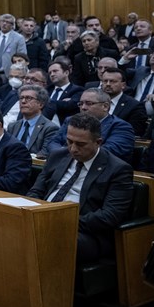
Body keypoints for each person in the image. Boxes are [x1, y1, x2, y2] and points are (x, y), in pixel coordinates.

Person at [27, 113, 133, 264]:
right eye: (69, 141)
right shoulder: (58, 155)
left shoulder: (118, 169)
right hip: (44, 218)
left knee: (48, 238)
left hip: (85, 232)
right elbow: (36, 191)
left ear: (98, 142)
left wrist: (61, 221)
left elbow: (109, 216)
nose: (73, 149)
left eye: (81, 144)